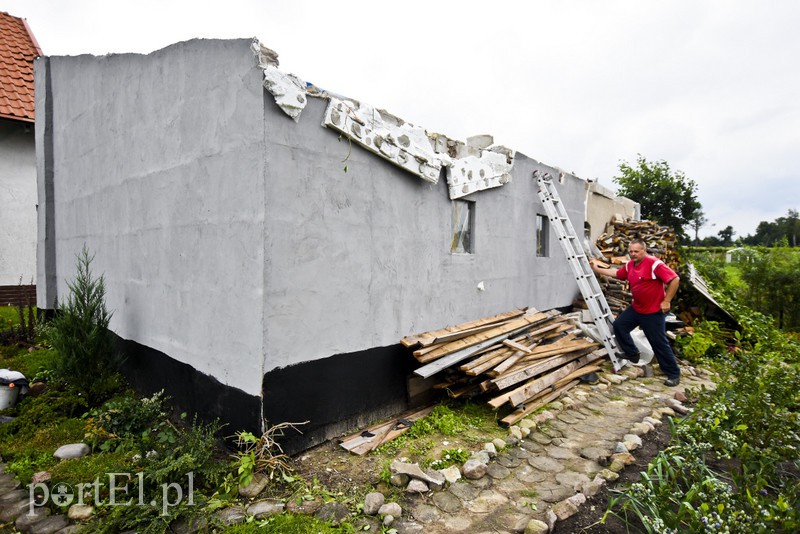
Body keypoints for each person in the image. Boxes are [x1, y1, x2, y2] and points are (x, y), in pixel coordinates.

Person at [588, 238, 682, 386]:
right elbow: (616, 273)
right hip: (637, 308)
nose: (633, 254)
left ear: (644, 250)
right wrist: (597, 269)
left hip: (653, 311)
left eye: (636, 251)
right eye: (631, 251)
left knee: (658, 343)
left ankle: (673, 374)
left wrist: (667, 301)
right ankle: (632, 353)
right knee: (619, 326)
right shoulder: (630, 265)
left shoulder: (654, 263)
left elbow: (675, 279)